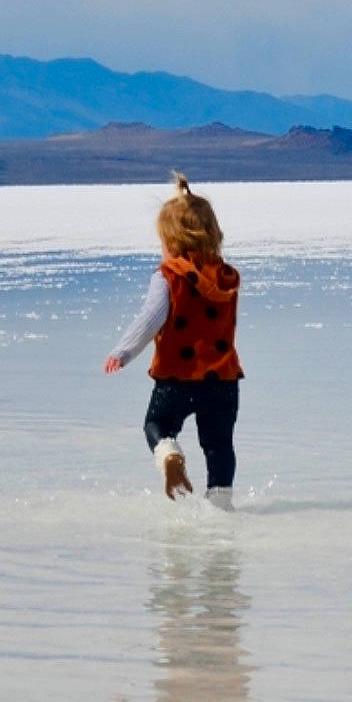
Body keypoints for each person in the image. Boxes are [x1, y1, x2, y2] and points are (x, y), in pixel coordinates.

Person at [103, 173, 242, 509]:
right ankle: (221, 503)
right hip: (222, 379)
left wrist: (123, 352)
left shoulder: (168, 277)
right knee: (218, 444)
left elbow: (150, 319)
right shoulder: (227, 276)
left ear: (172, 242)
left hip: (176, 377)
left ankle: (169, 455)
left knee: (157, 425)